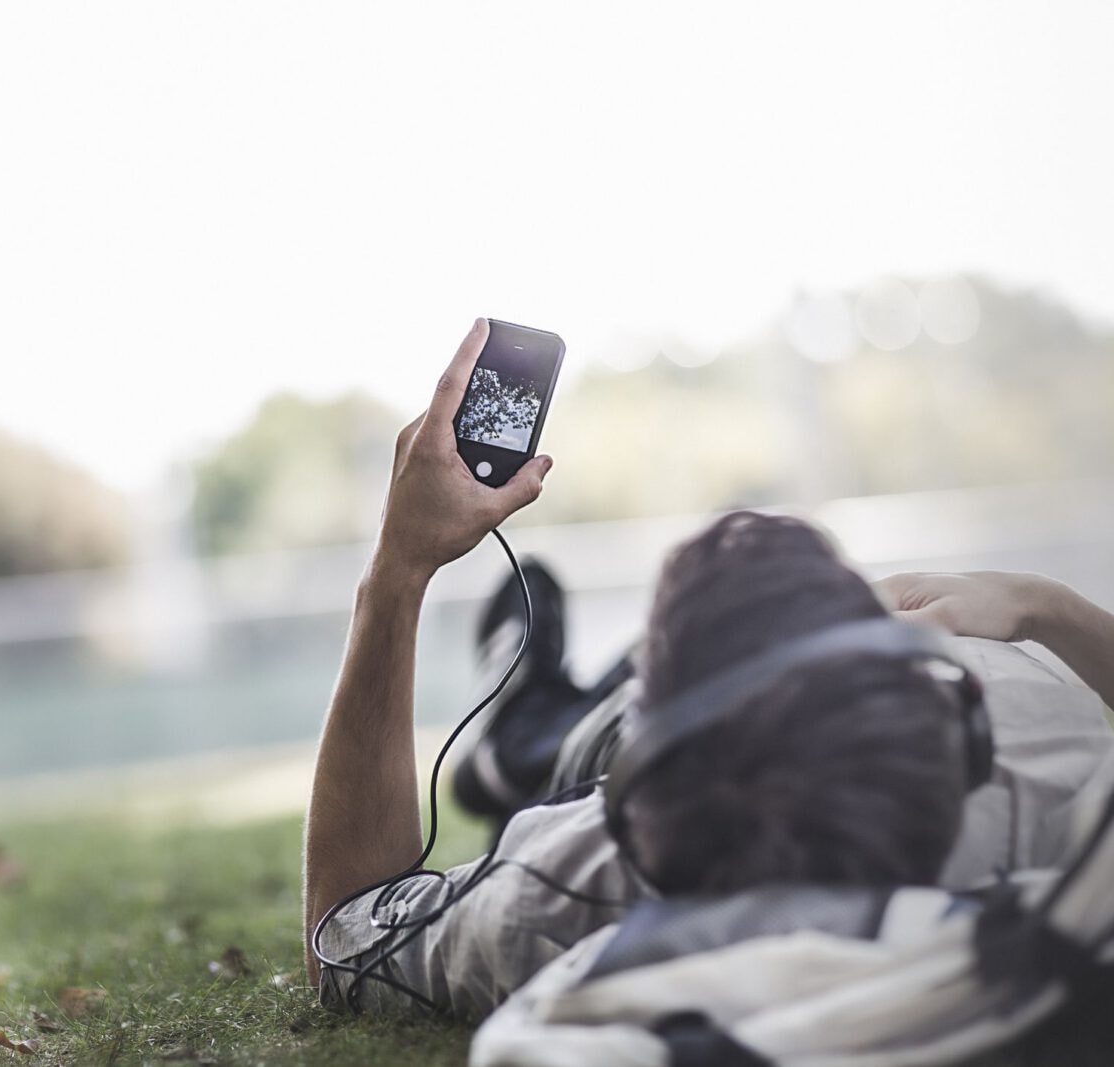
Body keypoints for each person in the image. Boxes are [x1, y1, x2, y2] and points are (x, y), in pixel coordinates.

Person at [302, 319, 1114, 1018]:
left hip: (618, 744)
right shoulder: (1054, 765)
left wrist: (397, 571)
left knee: (554, 739)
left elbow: (342, 925)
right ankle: (547, 710)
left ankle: (525, 725)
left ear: (638, 790)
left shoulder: (567, 884)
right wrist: (1041, 604)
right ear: (937, 693)